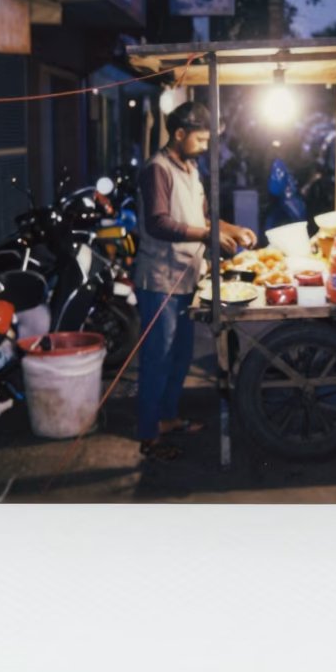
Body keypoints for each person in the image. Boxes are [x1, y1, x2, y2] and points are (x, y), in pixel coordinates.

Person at [134, 101, 257, 461]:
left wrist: (233, 229)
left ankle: (168, 418)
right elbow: (158, 222)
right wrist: (206, 236)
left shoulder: (190, 168)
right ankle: (149, 435)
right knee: (157, 358)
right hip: (160, 280)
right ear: (179, 134)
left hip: (187, 277)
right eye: (200, 139)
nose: (205, 146)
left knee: (180, 355)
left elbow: (203, 217)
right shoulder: (157, 170)